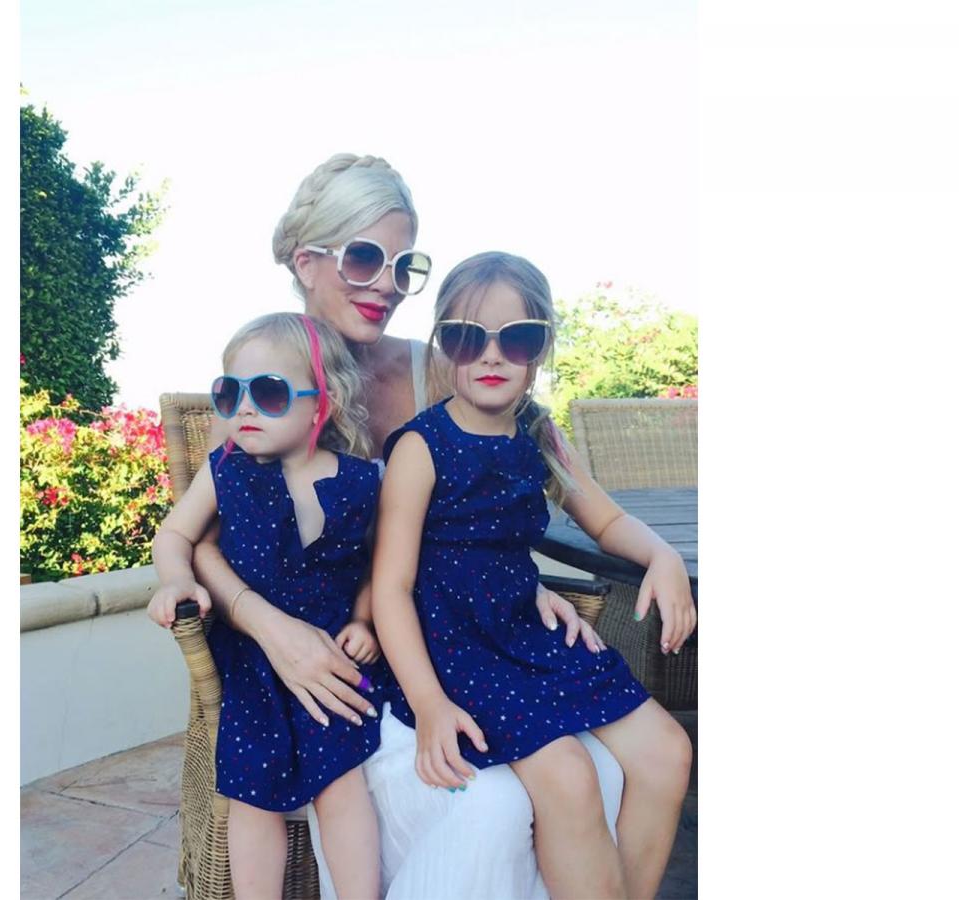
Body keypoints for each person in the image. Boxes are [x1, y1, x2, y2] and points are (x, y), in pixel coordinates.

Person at [183, 153, 627, 899]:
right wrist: (270, 627)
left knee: (603, 770)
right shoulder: (266, 383)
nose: (387, 284)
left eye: (404, 265)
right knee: (489, 802)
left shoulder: (438, 367)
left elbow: (496, 497)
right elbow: (200, 540)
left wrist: (516, 581)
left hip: (449, 645)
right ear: (306, 261)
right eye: (365, 258)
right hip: (345, 665)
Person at [375, 251, 695, 899]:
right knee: (568, 776)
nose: (491, 356)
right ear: (443, 347)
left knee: (668, 751)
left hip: (525, 633)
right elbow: (391, 588)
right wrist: (431, 704)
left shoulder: (539, 434)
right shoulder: (421, 447)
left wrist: (663, 556)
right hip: (458, 648)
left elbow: (605, 519)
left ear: (541, 347)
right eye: (468, 338)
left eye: (516, 338)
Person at [147, 312, 387, 899]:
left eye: (270, 393)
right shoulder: (226, 471)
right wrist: (176, 580)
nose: (245, 409)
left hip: (329, 652)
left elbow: (377, 564)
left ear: (322, 403)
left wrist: (364, 619)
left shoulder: (361, 480)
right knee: (253, 795)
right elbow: (174, 535)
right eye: (229, 394)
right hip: (251, 656)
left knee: (342, 783)